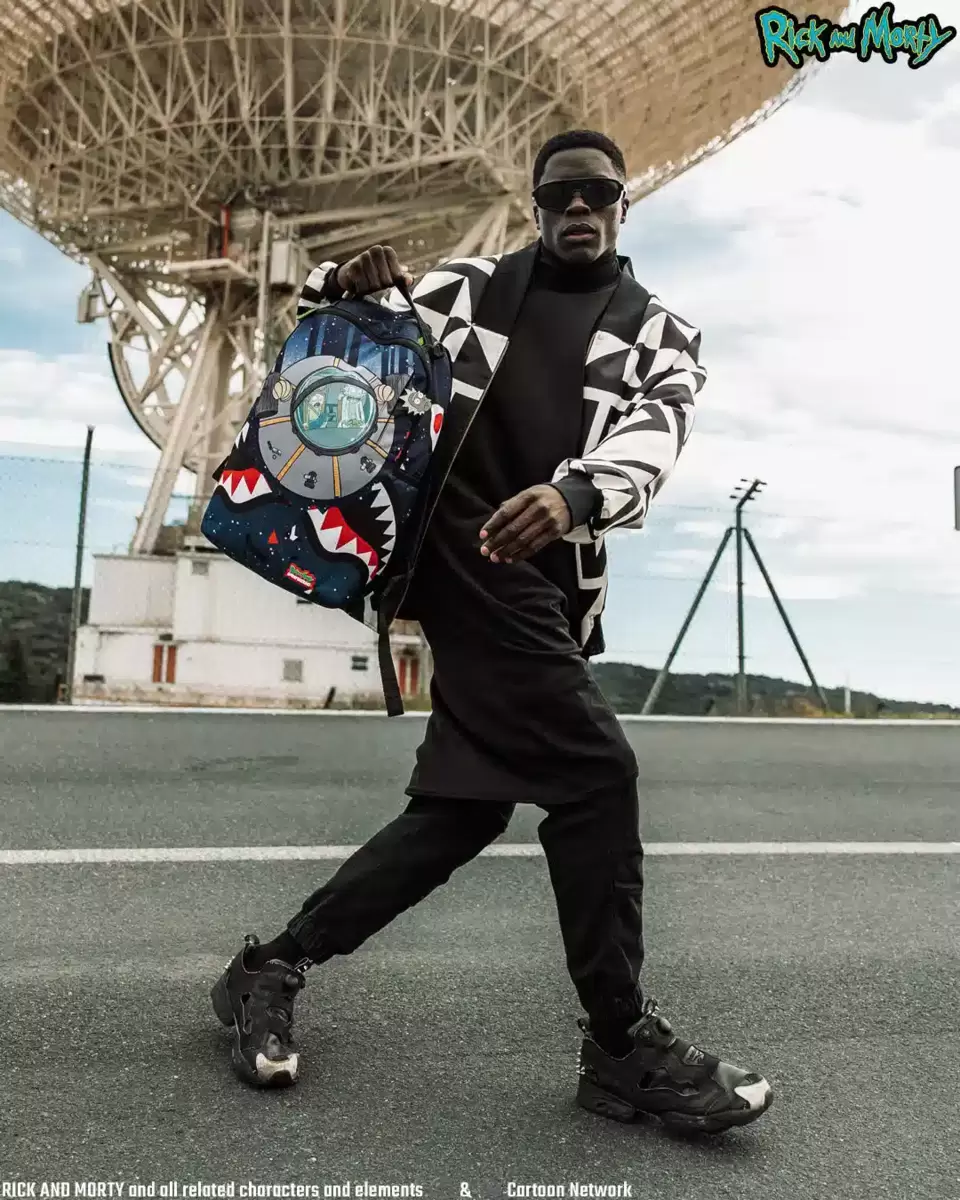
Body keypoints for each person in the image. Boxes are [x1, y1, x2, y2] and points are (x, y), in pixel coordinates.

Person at [210, 129, 773, 1135]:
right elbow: (339, 336)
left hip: (548, 586)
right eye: (561, 195)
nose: (579, 209)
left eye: (598, 192)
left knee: (459, 815)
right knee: (597, 775)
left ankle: (268, 967)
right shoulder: (465, 289)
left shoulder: (660, 332)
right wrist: (351, 279)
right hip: (459, 559)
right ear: (536, 203)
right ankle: (620, 1046)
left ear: (624, 204)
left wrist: (578, 492)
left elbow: (658, 429)